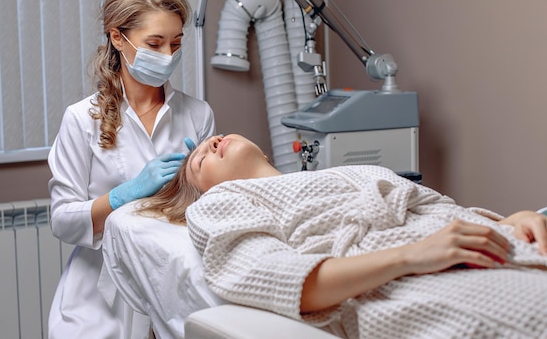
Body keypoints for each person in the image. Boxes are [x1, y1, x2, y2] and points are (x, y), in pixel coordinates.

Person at [130, 133, 547, 338]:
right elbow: (278, 279)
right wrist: (412, 256)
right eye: (200, 160)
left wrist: (512, 219)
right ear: (203, 190)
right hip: (406, 285)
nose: (211, 143)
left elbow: (444, 213)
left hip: (497, 246)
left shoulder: (341, 173)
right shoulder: (221, 204)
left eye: (212, 139)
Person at [47, 0, 215, 339]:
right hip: (100, 297)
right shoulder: (82, 119)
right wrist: (124, 195)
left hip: (176, 284)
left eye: (176, 43)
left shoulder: (197, 114)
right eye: (154, 43)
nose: (168, 56)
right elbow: (62, 219)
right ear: (117, 37)